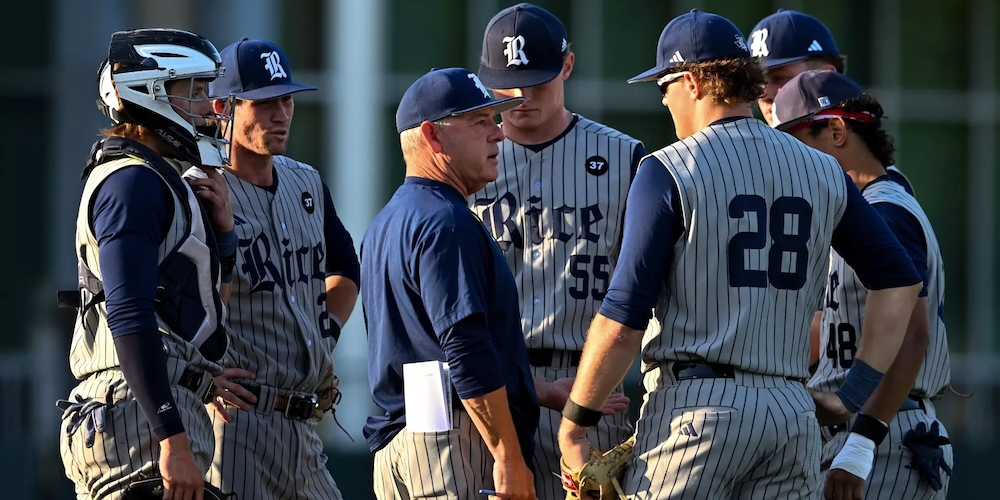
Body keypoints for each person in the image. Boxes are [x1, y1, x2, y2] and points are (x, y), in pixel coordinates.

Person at [556, 10, 923, 499]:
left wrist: (575, 423)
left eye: (664, 86)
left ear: (692, 82)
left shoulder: (669, 169)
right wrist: (851, 394)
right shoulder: (823, 169)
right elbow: (900, 282)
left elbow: (623, 321)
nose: (663, 99)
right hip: (791, 415)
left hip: (697, 411)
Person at [58, 28, 237, 500]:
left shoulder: (154, 177)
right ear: (150, 93)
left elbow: (197, 315)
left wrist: (224, 237)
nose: (211, 107)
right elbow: (129, 314)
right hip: (140, 420)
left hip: (152, 412)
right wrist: (170, 436)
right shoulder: (132, 183)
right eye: (195, 90)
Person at [470, 5, 637, 497]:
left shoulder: (626, 157)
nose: (520, 96)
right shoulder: (464, 158)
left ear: (567, 65)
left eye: (535, 81)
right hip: (495, 383)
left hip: (592, 386)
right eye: (506, 85)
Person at [774, 70, 953, 500]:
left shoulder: (885, 209)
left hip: (883, 434)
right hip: (872, 430)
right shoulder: (866, 206)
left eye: (794, 142)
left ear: (836, 130)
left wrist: (861, 443)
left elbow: (913, 333)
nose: (788, 159)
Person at [363, 67, 539, 500]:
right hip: (453, 445)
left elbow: (421, 344)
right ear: (433, 136)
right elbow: (464, 347)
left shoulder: (388, 221)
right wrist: (508, 457)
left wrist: (540, 390)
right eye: (480, 122)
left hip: (401, 446)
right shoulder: (446, 221)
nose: (499, 133)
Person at [198, 38, 361, 500]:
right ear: (222, 107)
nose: (281, 114)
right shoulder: (203, 191)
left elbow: (346, 268)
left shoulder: (305, 181)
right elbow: (172, 303)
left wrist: (324, 334)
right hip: (237, 427)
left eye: (286, 99)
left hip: (304, 429)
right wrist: (200, 375)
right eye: (264, 103)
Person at [748, 9, 914, 196]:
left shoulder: (876, 187)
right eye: (757, 83)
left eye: (779, 78)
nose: (763, 94)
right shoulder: (766, 171)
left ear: (825, 77)